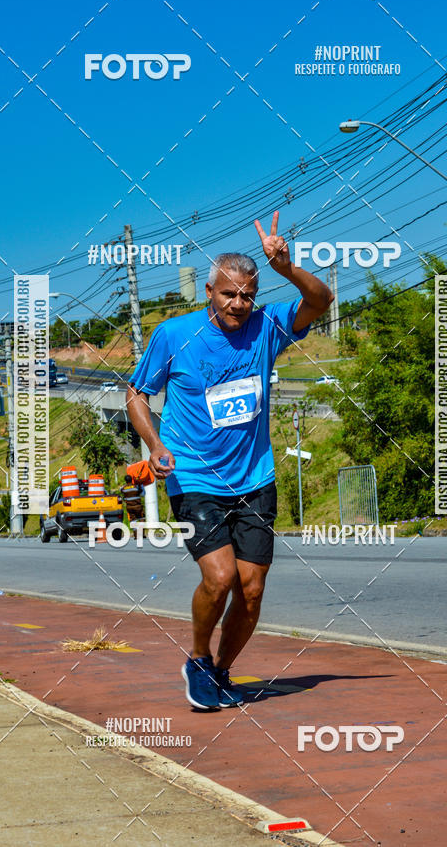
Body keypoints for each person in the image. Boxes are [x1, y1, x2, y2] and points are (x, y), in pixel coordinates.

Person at [126, 211, 333, 710]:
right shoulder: (175, 336)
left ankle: (221, 671)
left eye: (247, 294)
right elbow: (136, 393)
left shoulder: (267, 328)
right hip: (195, 477)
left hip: (255, 477)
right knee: (219, 578)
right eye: (228, 293)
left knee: (253, 589)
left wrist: (286, 267)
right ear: (209, 292)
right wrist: (154, 445)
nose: (238, 303)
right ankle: (197, 659)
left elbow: (321, 300)